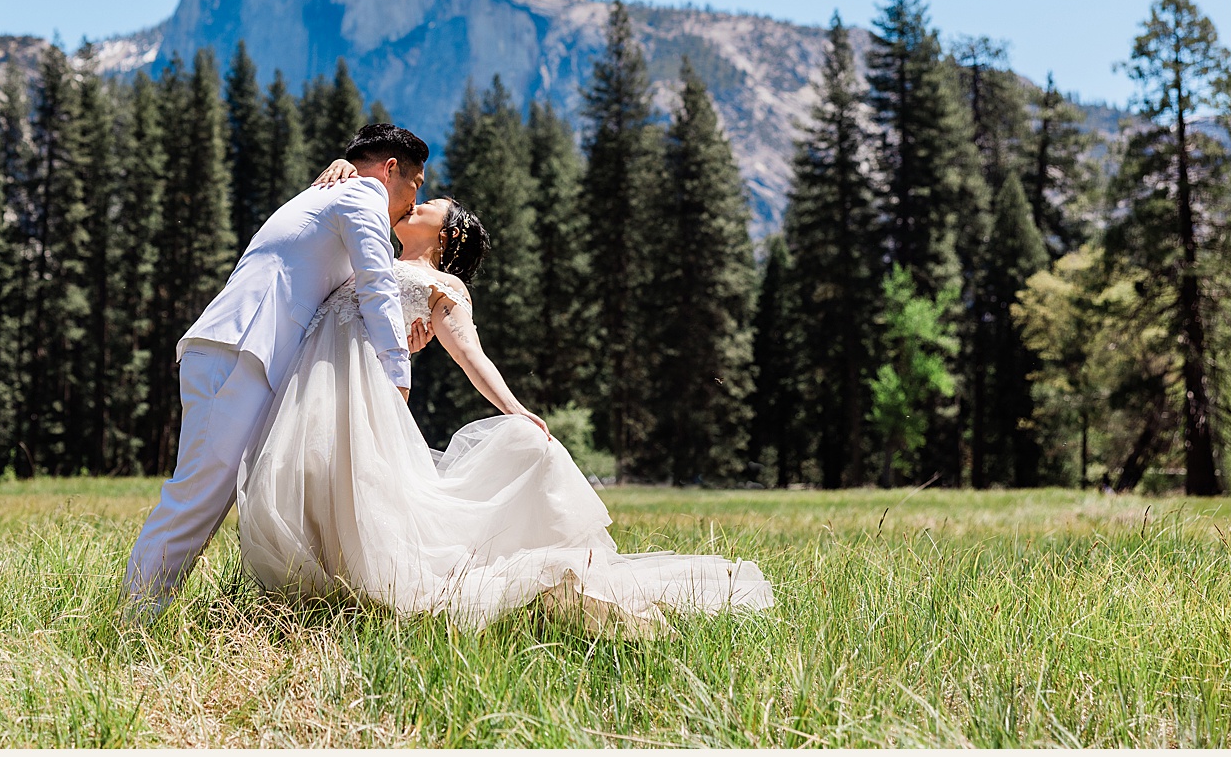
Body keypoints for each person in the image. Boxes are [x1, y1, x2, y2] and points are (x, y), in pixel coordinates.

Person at [233, 191, 774, 636]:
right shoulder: (368, 258)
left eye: (431, 204)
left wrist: (517, 410)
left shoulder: (443, 287)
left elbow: (471, 355)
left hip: (362, 400)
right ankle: (320, 599)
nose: (415, 202)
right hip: (319, 391)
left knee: (367, 495)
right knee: (314, 480)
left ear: (448, 234)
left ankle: (362, 600)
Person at [122, 124, 431, 619]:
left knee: (215, 496)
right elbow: (375, 282)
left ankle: (147, 613)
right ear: (391, 170)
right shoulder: (362, 195)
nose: (414, 203)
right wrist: (397, 374)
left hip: (243, 353)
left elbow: (346, 286)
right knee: (198, 497)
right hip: (239, 350)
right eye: (416, 184)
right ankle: (132, 622)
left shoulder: (332, 194)